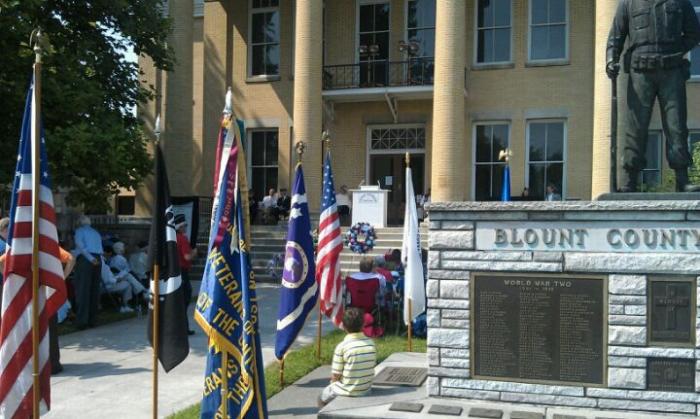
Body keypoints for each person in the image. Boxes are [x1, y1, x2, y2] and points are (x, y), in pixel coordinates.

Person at [607, 0, 700, 192]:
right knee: (635, 127)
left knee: (676, 126)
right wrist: (610, 60)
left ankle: (682, 178)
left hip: (672, 70)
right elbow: (616, 37)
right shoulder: (628, 3)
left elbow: (694, 33)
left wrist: (675, 50)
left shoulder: (680, 2)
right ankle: (629, 180)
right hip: (640, 71)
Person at [318, 307, 377, 407]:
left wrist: (333, 384)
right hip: (366, 389)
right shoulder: (371, 343)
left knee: (321, 398)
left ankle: (325, 412)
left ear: (344, 326)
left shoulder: (342, 347)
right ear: (363, 325)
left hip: (347, 390)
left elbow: (336, 375)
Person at [73, 215, 103, 328]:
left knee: (83, 290)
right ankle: (93, 319)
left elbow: (80, 246)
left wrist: (90, 258)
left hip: (86, 259)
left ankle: (82, 320)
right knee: (94, 289)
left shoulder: (79, 231)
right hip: (98, 258)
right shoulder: (96, 233)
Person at [174, 214, 197, 335]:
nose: (186, 227)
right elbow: (187, 256)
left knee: (179, 301)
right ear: (180, 227)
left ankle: (179, 327)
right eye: (185, 225)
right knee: (185, 299)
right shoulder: (182, 238)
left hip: (174, 271)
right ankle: (183, 328)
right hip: (182, 271)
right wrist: (195, 252)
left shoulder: (172, 238)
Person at [100, 249, 135, 314]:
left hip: (105, 285)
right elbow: (107, 280)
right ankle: (126, 305)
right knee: (128, 285)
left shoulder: (100, 262)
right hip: (107, 287)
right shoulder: (103, 265)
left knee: (126, 278)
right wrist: (117, 280)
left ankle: (123, 304)